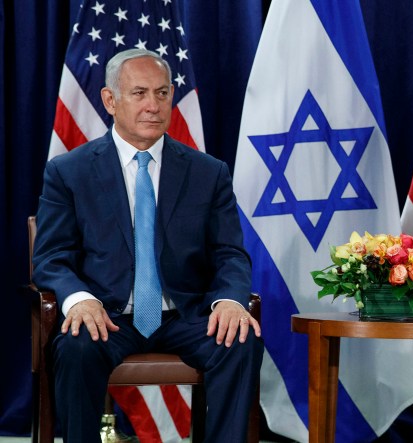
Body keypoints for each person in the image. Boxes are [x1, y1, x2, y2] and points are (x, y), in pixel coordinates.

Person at [32, 48, 263, 442]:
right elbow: (51, 257)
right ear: (110, 100)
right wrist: (78, 299)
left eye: (161, 93)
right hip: (105, 315)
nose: (153, 106)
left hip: (186, 315)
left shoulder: (209, 173)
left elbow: (229, 253)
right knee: (75, 347)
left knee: (239, 340)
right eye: (139, 93)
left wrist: (229, 299)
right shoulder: (69, 172)